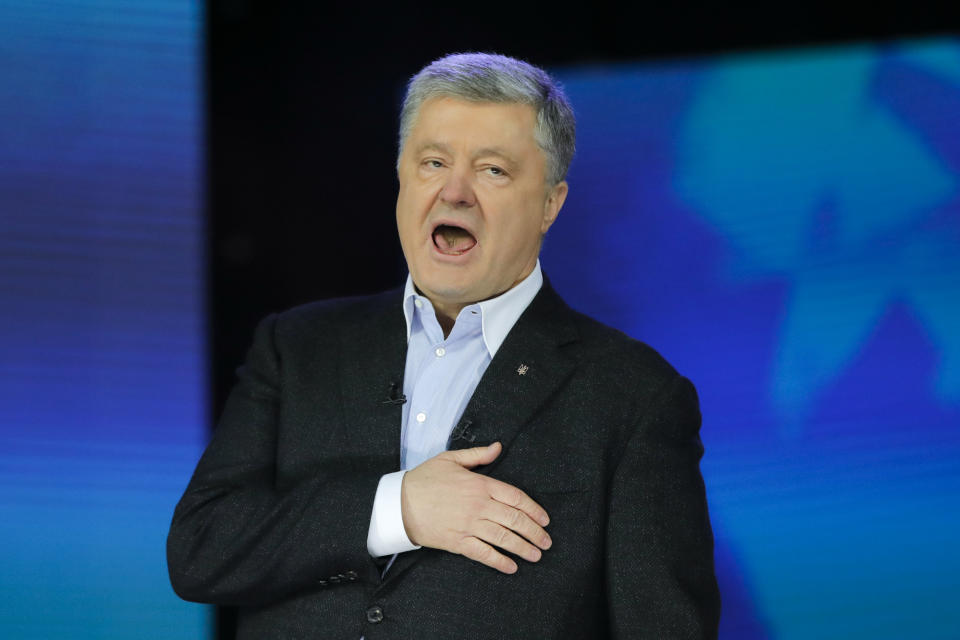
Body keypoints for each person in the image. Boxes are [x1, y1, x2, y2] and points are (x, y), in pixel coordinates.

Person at [167, 52, 721, 639]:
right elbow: (202, 549)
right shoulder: (297, 347)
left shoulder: (633, 396)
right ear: (402, 178)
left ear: (550, 205)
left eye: (493, 170)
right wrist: (397, 508)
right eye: (433, 162)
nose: (454, 192)